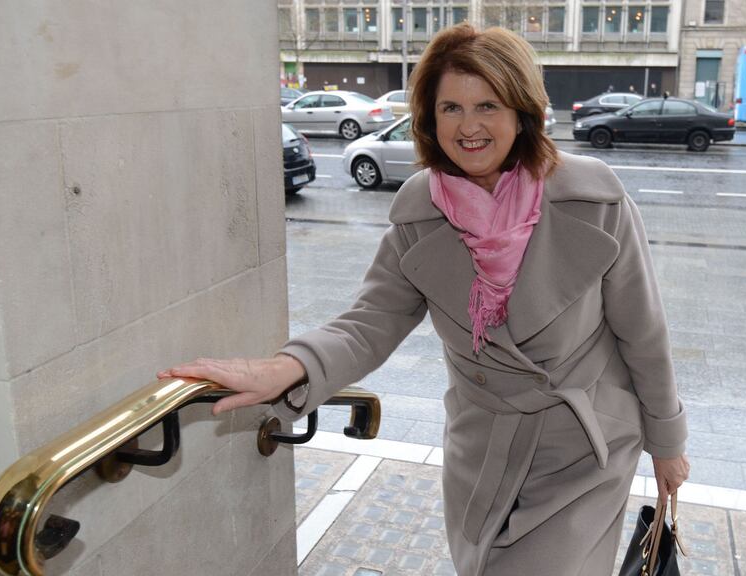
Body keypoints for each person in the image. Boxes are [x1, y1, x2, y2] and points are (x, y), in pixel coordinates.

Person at [159, 24, 688, 576]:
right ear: (429, 119)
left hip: (582, 452)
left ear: (522, 113)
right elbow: (370, 321)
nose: (469, 126)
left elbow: (643, 332)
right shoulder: (421, 211)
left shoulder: (593, 199)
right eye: (450, 108)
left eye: (488, 105)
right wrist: (288, 367)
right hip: (482, 451)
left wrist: (667, 443)